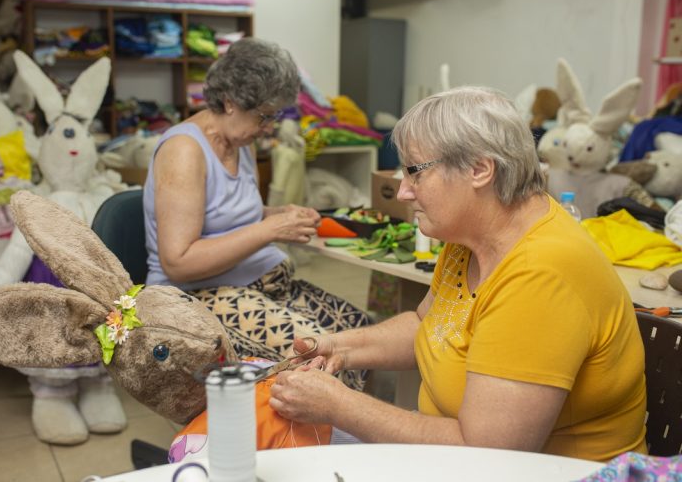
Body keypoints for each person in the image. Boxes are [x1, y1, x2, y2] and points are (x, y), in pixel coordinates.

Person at [269, 86, 647, 462]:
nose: (402, 192)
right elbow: (427, 325)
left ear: (480, 170)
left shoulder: (541, 274)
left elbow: (488, 454)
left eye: (414, 172)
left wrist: (340, 405)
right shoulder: (474, 235)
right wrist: (341, 347)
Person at [143, 37, 369, 390]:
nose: (270, 127)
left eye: (274, 115)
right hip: (199, 293)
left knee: (363, 337)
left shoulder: (239, 142)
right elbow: (179, 261)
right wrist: (270, 229)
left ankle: (350, 436)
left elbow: (227, 213)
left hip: (258, 281)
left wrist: (277, 213)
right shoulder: (184, 151)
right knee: (323, 357)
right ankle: (323, 441)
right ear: (231, 103)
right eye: (265, 115)